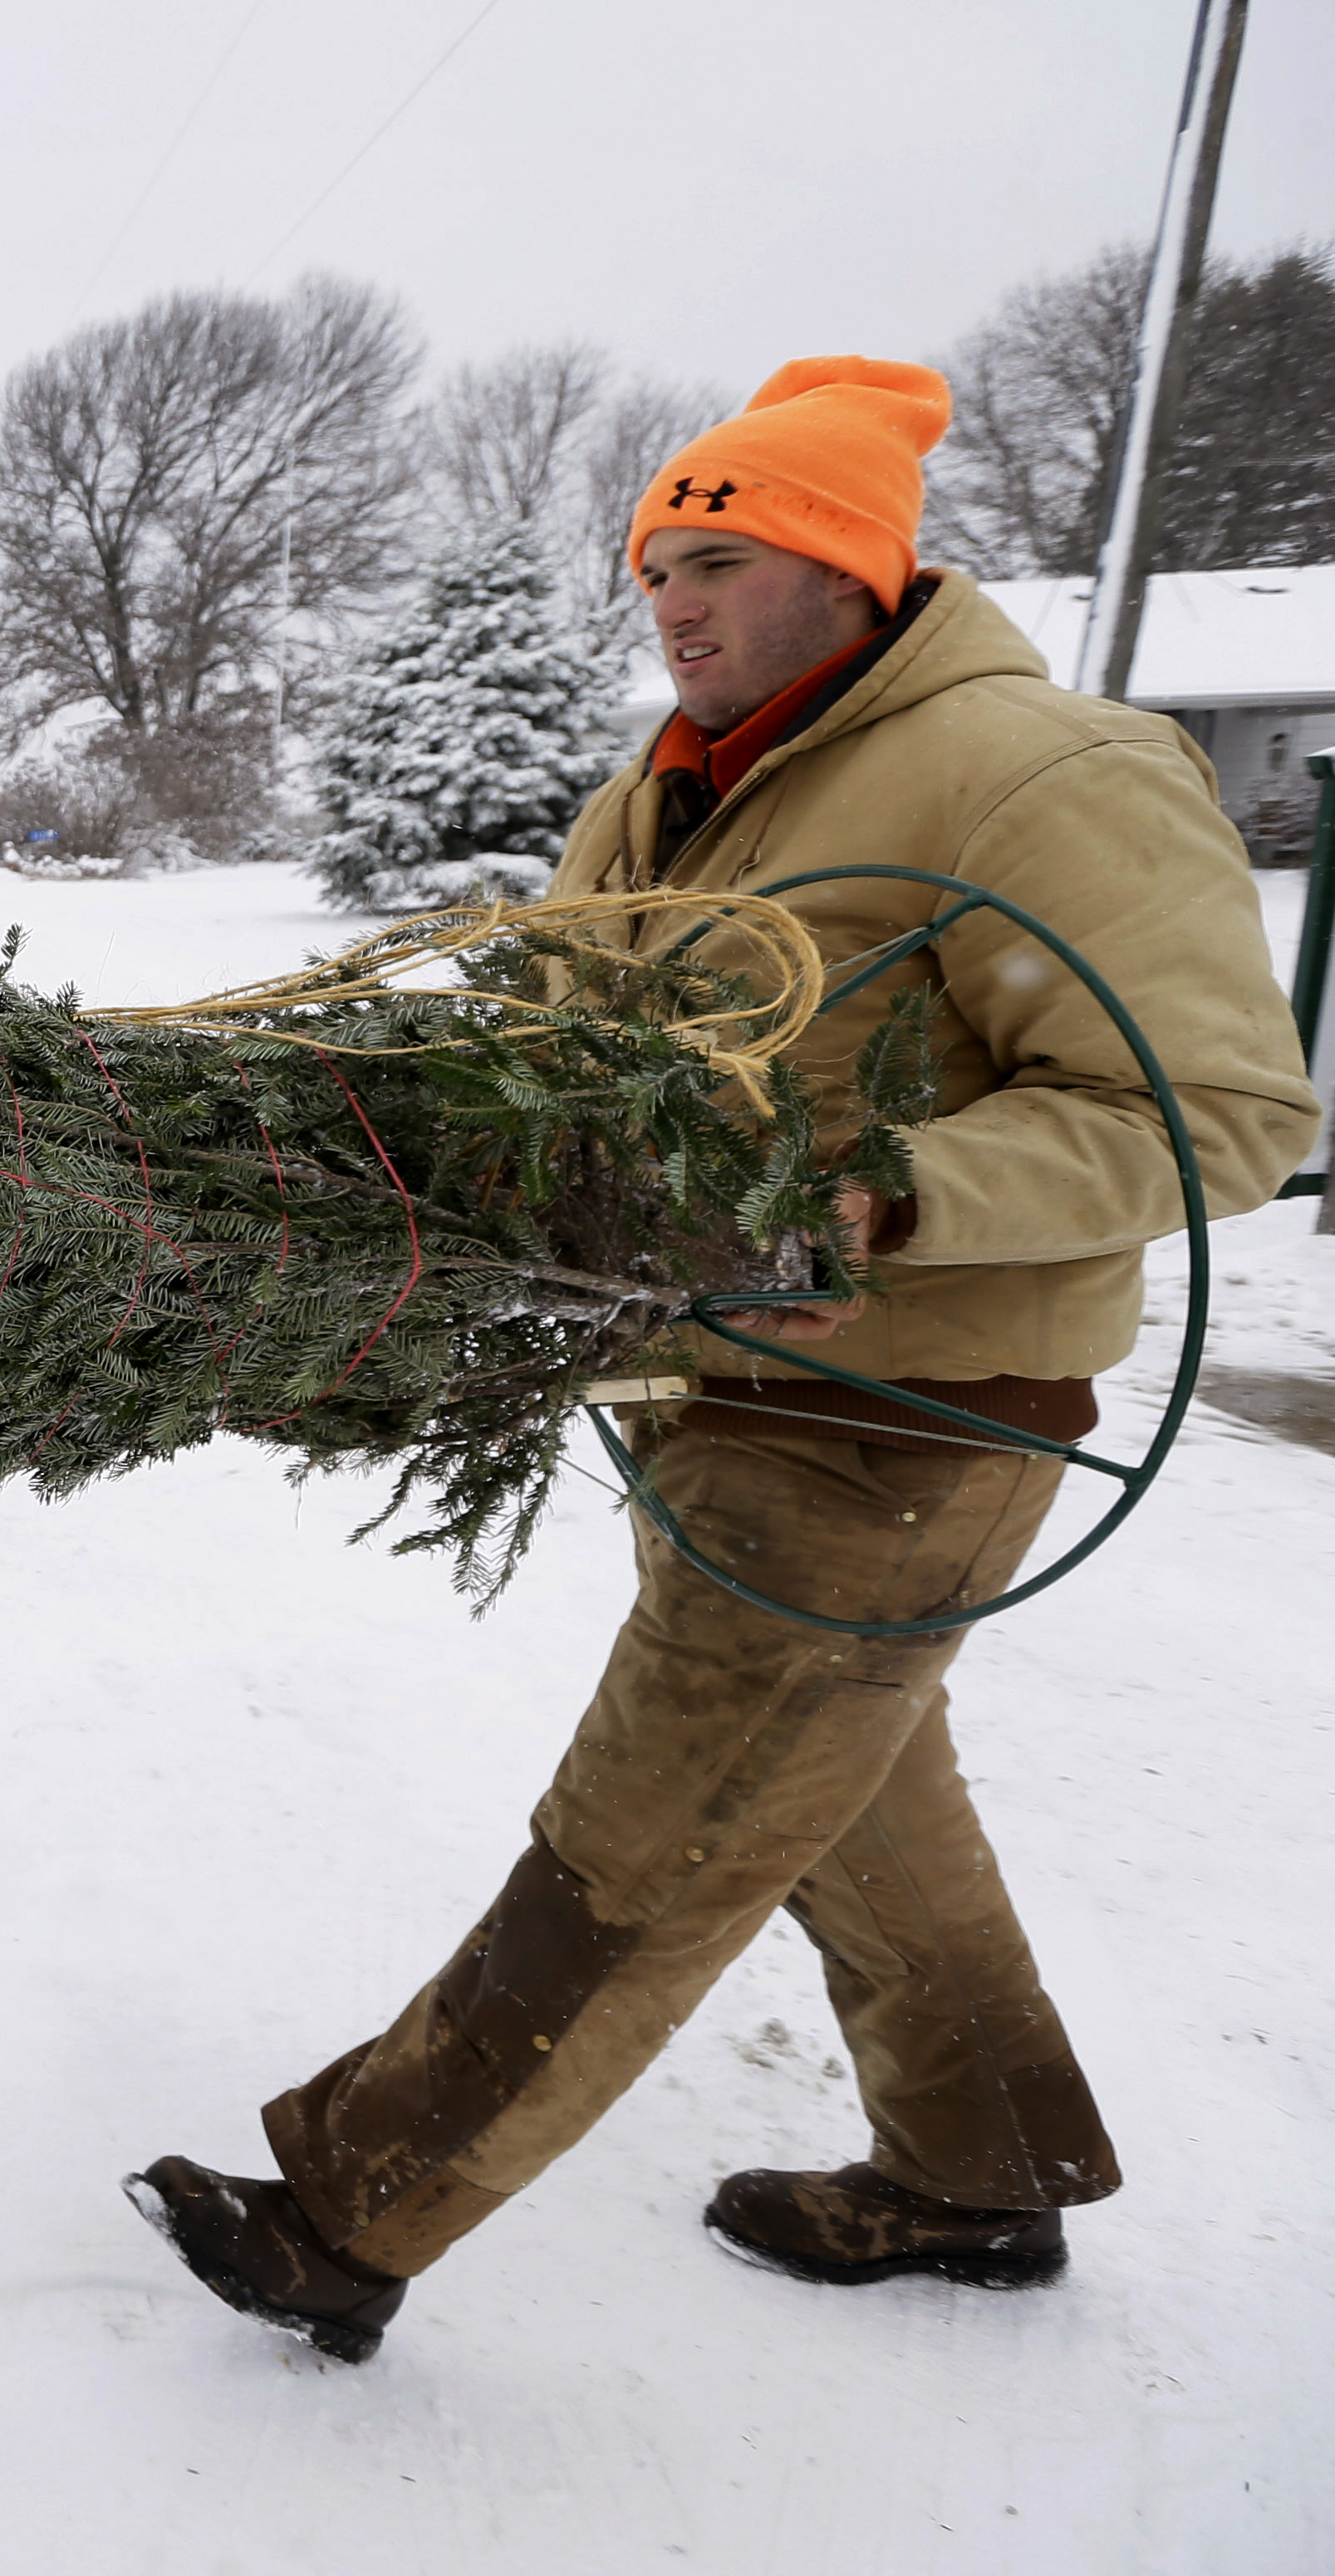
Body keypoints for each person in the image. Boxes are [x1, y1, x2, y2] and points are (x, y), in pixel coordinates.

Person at [129, 359, 1321, 2363]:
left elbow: (1218, 1108)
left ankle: (350, 2210)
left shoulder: (1039, 771)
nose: (673, 602)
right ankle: (980, 2169)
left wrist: (887, 1192)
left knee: (657, 1827)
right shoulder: (660, 796)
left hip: (906, 1421)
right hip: (695, 1387)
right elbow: (548, 1047)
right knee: (842, 1793)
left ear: (849, 568)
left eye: (723, 557)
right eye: (656, 566)